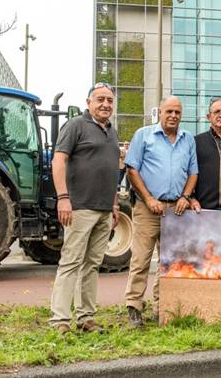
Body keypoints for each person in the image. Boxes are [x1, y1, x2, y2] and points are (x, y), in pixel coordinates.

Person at [49, 82, 120, 334]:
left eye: (110, 100)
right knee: (71, 262)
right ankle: (60, 320)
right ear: (88, 102)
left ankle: (86, 317)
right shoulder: (75, 125)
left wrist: (113, 204)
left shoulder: (112, 131)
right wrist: (63, 197)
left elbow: (112, 169)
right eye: (100, 99)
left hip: (103, 210)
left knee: (92, 265)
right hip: (79, 207)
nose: (105, 104)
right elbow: (58, 160)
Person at [124, 95, 198, 328]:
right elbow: (132, 169)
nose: (173, 116)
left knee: (169, 261)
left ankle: (161, 308)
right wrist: (148, 198)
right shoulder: (143, 135)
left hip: (176, 210)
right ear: (160, 113)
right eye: (169, 112)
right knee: (141, 259)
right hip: (148, 208)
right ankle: (134, 306)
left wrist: (185, 196)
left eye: (177, 112)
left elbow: (193, 172)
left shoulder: (188, 140)